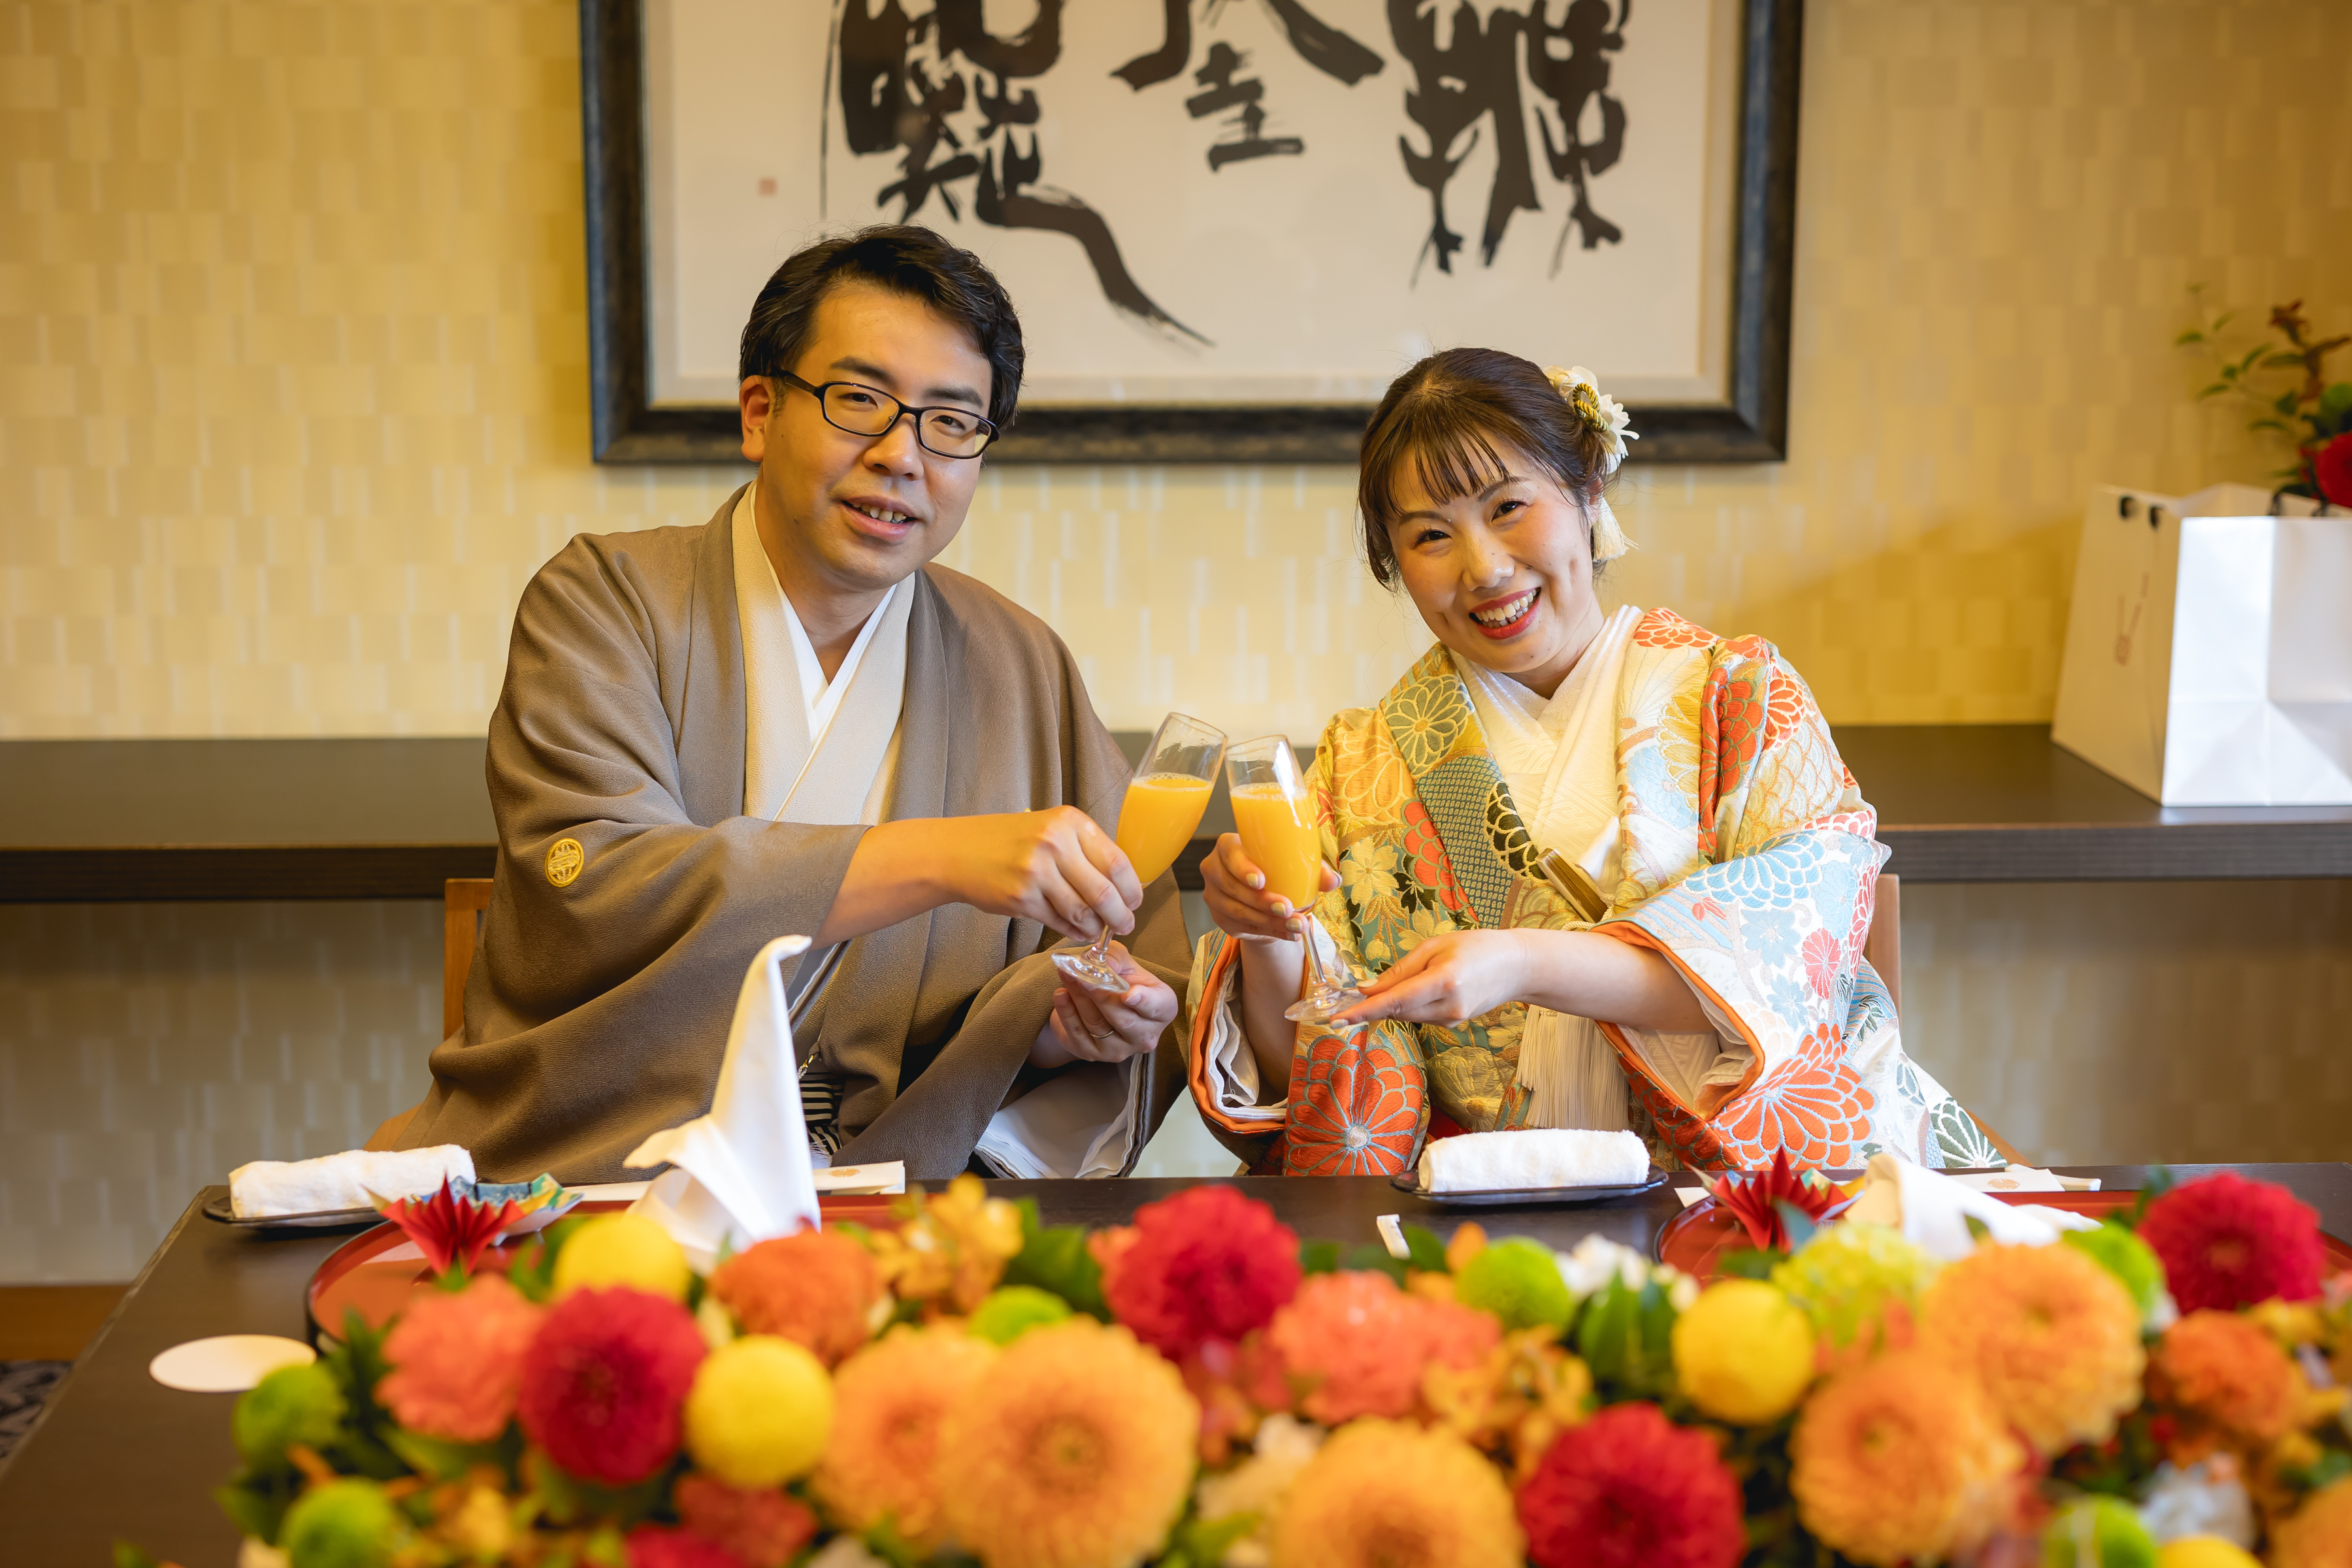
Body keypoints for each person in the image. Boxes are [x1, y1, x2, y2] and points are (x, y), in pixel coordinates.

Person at [394, 225, 1188, 1182]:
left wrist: (1066, 1028)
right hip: (618, 1189)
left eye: (951, 422)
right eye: (860, 401)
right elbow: (599, 880)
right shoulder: (606, 602)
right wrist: (947, 858)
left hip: (909, 1200)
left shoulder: (1020, 662)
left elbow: (1138, 954)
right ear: (760, 413)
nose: (902, 456)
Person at [1187, 348, 1996, 1175]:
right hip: (1485, 1204)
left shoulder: (1742, 698)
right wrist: (1266, 937)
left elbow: (1794, 973)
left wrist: (1525, 963)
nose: (1484, 569)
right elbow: (1311, 1090)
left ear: (1588, 493)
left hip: (1719, 1188)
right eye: (1431, 535)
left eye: (1508, 506)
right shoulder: (1360, 763)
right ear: (1397, 565)